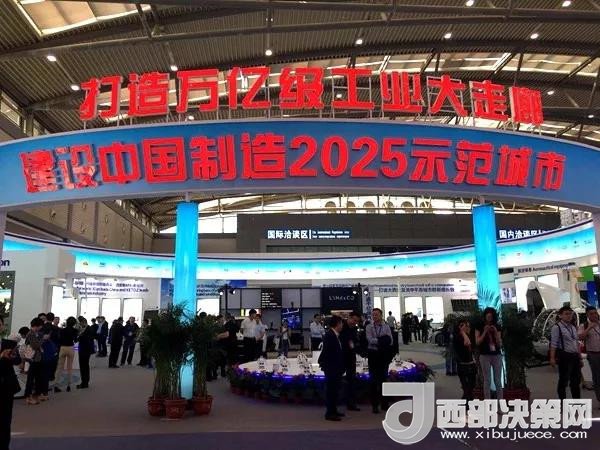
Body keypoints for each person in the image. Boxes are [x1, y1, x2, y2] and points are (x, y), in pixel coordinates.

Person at [550, 305, 583, 400]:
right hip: (565, 356)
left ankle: (577, 403)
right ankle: (563, 402)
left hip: (575, 356)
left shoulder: (573, 327)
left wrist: (580, 357)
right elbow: (553, 344)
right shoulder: (557, 327)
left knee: (576, 381)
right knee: (563, 381)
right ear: (560, 315)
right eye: (566, 314)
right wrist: (552, 358)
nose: (569, 316)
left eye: (570, 314)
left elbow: (576, 342)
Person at [318, 315, 345, 421]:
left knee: (334, 390)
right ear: (338, 324)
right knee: (331, 391)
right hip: (332, 367)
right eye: (341, 323)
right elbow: (328, 353)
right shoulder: (330, 335)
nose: (342, 325)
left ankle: (334, 410)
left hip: (335, 367)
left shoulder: (335, 335)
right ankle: (330, 413)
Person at [365, 308, 393, 414]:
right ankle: (375, 405)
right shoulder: (369, 327)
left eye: (376, 314)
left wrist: (380, 341)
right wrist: (382, 340)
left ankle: (384, 403)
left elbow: (390, 341)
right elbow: (370, 340)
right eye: (373, 315)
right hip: (373, 355)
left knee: (383, 379)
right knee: (373, 380)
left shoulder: (386, 327)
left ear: (381, 315)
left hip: (383, 356)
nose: (374, 316)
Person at [0, 316, 22, 450]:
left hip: (6, 387)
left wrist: (13, 356)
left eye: (0, 324)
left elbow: (18, 361)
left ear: (3, 326)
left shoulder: (8, 343)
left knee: (5, 420)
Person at [475, 307, 503, 400]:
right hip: (484, 355)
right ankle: (488, 402)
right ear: (485, 316)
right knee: (487, 380)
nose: (489, 318)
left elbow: (499, 344)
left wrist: (495, 332)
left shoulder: (497, 326)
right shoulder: (479, 326)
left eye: (491, 316)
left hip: (496, 355)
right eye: (488, 316)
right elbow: (477, 342)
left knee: (498, 381)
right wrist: (484, 331)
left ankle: (500, 403)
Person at [339, 310, 362, 411]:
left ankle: (351, 403)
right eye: (354, 320)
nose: (354, 322)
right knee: (337, 380)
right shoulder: (340, 326)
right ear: (349, 317)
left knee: (351, 380)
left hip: (351, 357)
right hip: (340, 357)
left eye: (357, 321)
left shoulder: (354, 329)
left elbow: (355, 342)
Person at [578, 305, 600, 406]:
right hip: (593, 354)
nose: (594, 315)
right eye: (591, 314)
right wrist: (589, 327)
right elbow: (580, 337)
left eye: (595, 313)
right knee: (597, 377)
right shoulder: (584, 325)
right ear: (587, 315)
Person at [54, 316, 78, 393]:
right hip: (70, 348)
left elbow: (59, 339)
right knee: (69, 367)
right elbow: (75, 340)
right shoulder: (75, 330)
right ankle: (68, 386)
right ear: (74, 323)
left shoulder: (62, 330)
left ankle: (56, 385)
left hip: (63, 348)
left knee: (59, 367)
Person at [454, 319, 476, 404]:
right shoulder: (458, 337)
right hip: (462, 365)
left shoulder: (470, 336)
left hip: (471, 364)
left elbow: (472, 347)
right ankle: (467, 401)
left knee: (472, 384)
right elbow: (467, 343)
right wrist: (462, 332)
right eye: (466, 326)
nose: (468, 328)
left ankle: (466, 398)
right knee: (465, 385)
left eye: (468, 326)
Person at [24, 318, 44, 405]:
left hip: (36, 359)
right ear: (37, 325)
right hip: (32, 359)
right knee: (30, 379)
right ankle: (28, 397)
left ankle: (36, 395)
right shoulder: (31, 334)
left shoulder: (35, 333)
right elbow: (35, 345)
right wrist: (42, 339)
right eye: (40, 326)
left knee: (37, 377)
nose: (41, 328)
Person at [77, 316, 95, 389]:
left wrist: (80, 335)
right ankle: (84, 382)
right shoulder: (82, 329)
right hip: (82, 349)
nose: (80, 325)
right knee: (83, 366)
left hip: (85, 350)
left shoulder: (89, 329)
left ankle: (85, 382)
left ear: (84, 322)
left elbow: (88, 339)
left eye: (80, 323)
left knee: (84, 366)